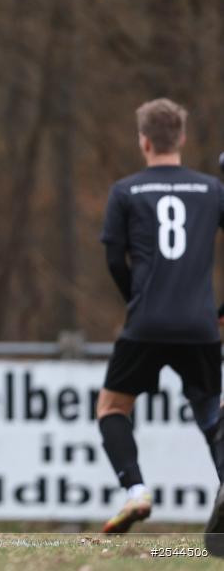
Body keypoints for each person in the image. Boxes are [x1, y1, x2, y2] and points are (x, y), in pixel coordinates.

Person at [98, 98, 224, 535]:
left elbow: (114, 258)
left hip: (146, 323)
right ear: (182, 138)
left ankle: (136, 491)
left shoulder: (125, 191)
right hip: (199, 325)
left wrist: (135, 300)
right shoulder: (212, 190)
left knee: (112, 407)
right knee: (212, 412)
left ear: (144, 141)